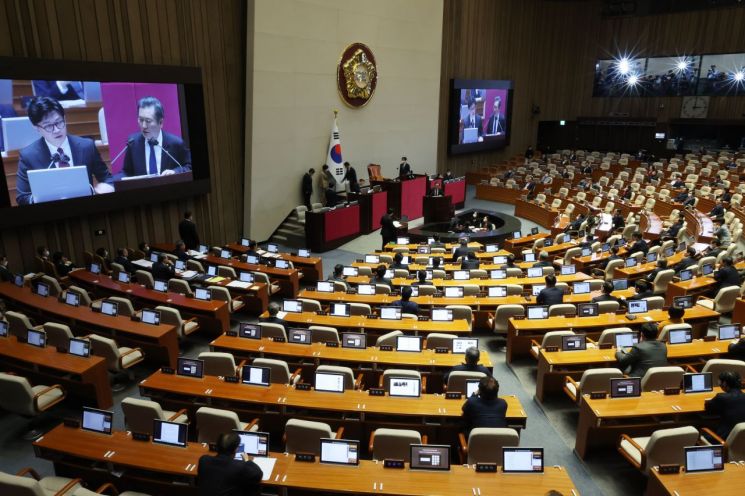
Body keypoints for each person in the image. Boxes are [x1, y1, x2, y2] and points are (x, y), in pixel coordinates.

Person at [16, 96, 114, 205]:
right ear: (37, 128)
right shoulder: (28, 156)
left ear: (65, 118)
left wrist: (108, 186)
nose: (57, 130)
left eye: (59, 122)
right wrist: (39, 198)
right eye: (48, 126)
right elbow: (22, 197)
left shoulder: (87, 146)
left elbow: (108, 178)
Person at [122, 96, 192, 177]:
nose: (144, 126)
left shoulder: (176, 143)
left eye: (148, 121)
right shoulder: (133, 143)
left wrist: (175, 172)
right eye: (141, 120)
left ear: (161, 122)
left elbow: (189, 167)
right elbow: (126, 172)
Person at [197, 431, 263, 496]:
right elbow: (258, 474)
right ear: (236, 449)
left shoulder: (204, 460)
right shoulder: (240, 466)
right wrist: (247, 460)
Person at [704, 371, 745, 441]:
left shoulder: (721, 397)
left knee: (701, 429)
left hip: (724, 439)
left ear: (725, 383)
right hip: (742, 439)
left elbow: (708, 408)